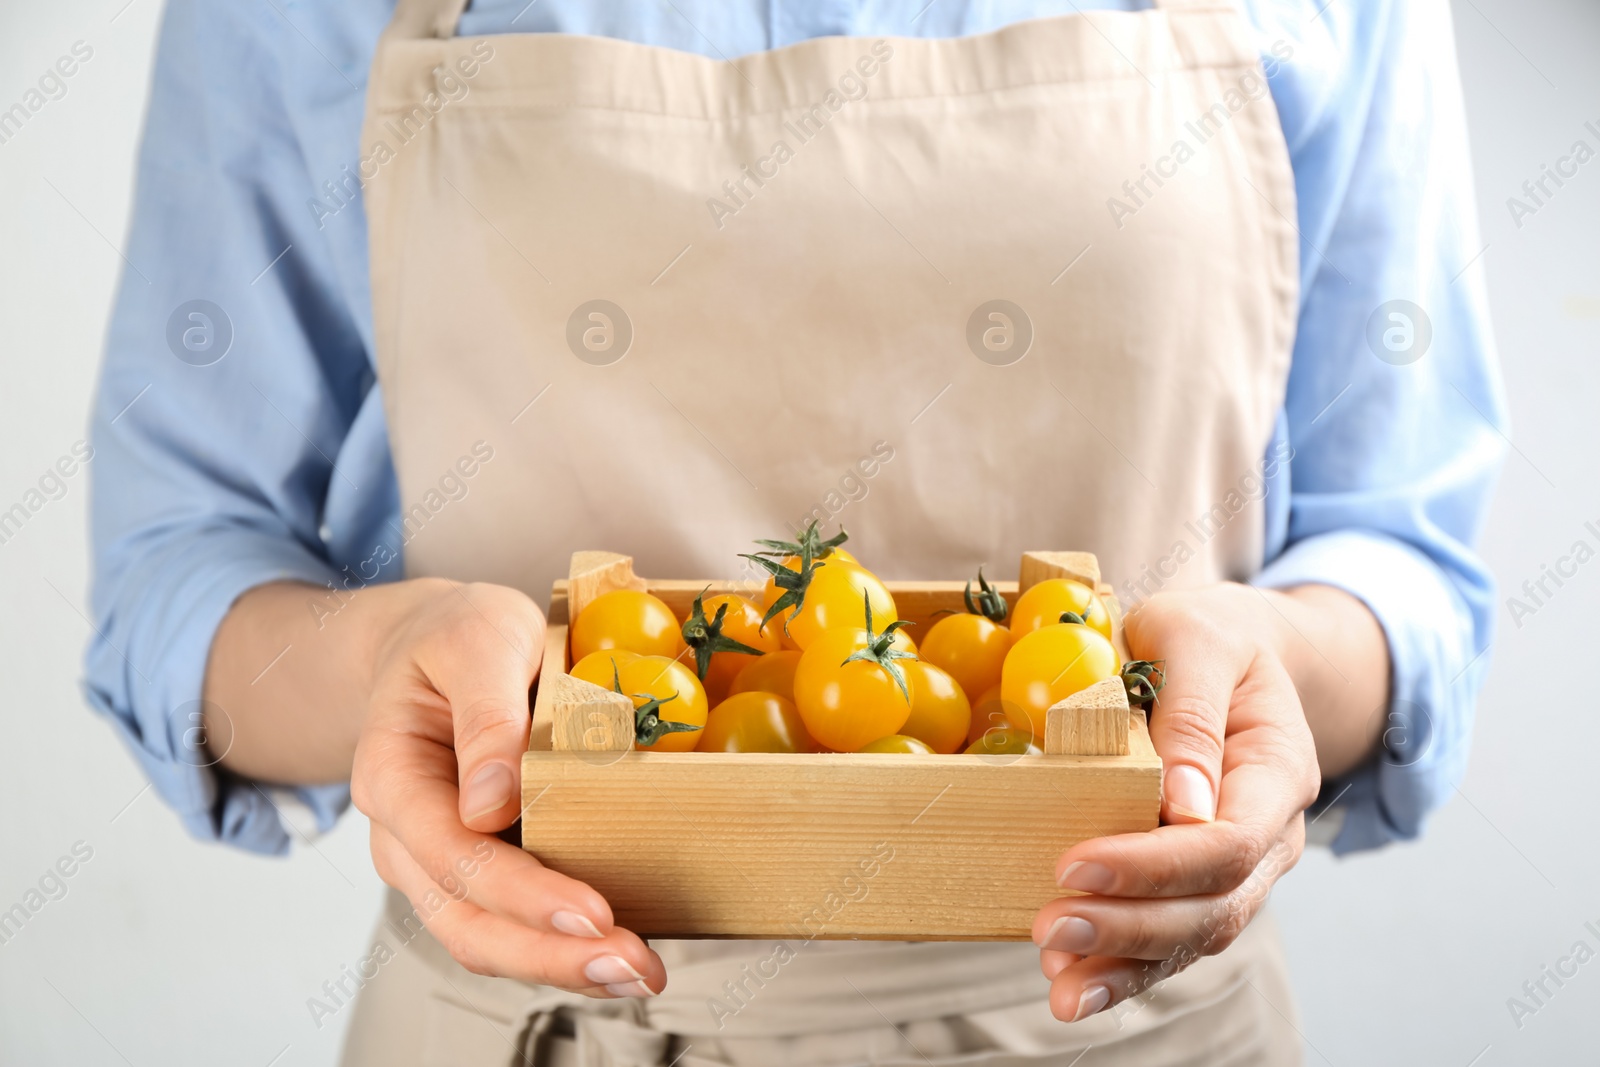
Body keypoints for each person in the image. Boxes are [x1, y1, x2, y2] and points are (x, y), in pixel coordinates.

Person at [86, 0, 1504, 1063]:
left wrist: (1270, 673)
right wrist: (380, 661)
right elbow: (181, 566)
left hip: (1137, 1026)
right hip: (547, 1020)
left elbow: (1405, 560)